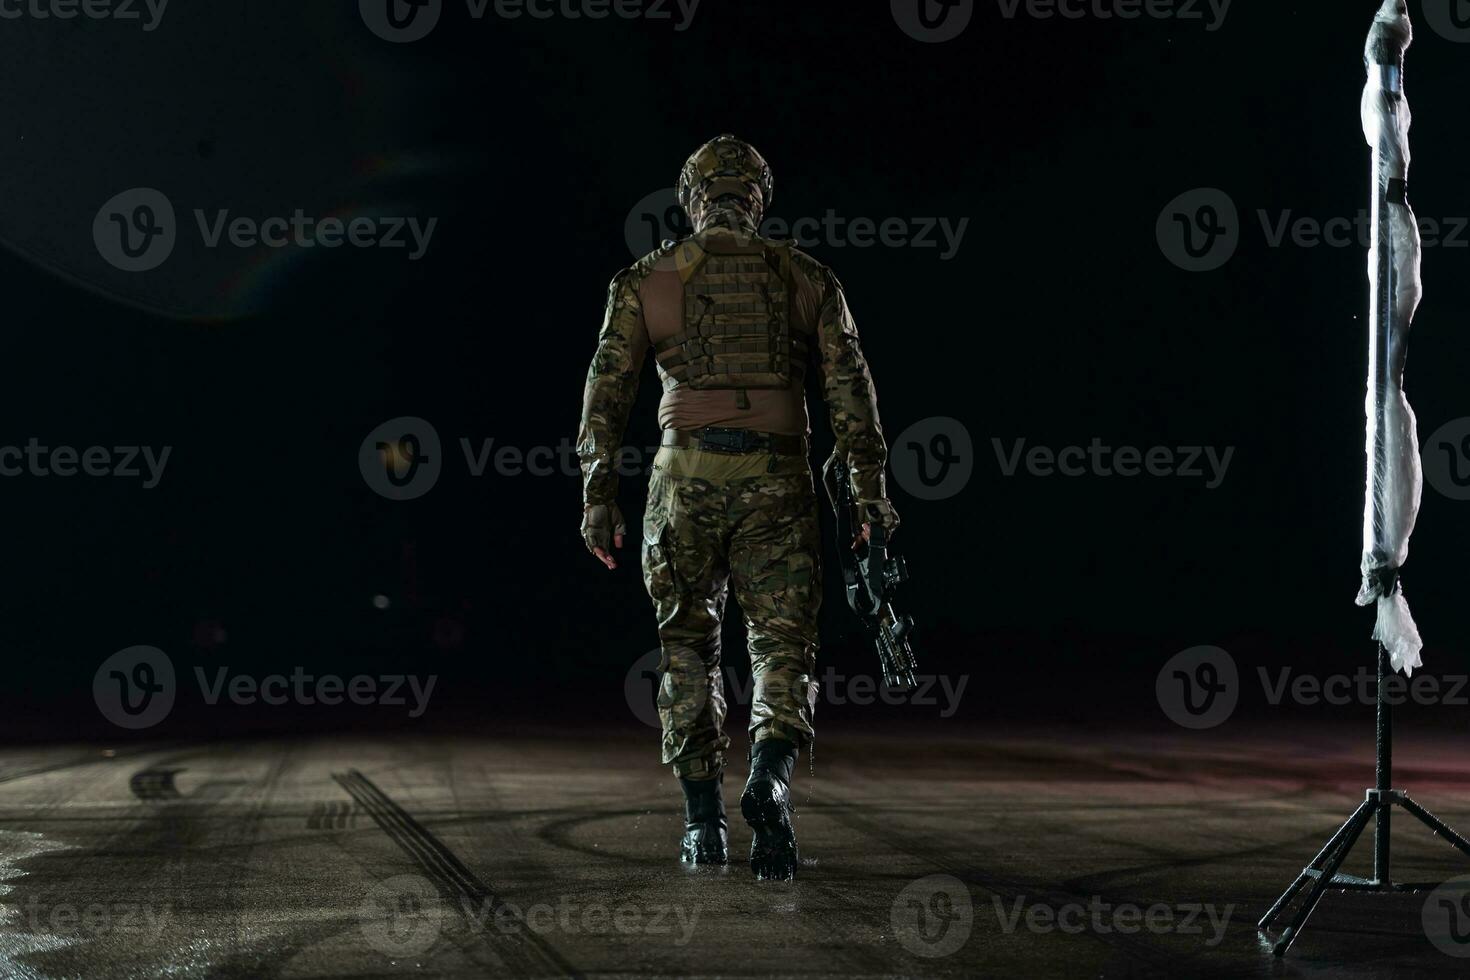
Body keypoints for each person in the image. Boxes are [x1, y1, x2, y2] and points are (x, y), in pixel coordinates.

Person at [577, 135, 899, 880]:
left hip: (682, 479)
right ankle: (771, 787)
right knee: (782, 645)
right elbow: (852, 396)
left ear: (691, 196)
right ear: (760, 196)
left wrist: (598, 497)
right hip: (777, 480)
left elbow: (606, 396)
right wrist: (870, 496)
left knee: (686, 647)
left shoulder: (645, 278)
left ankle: (702, 826)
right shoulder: (806, 276)